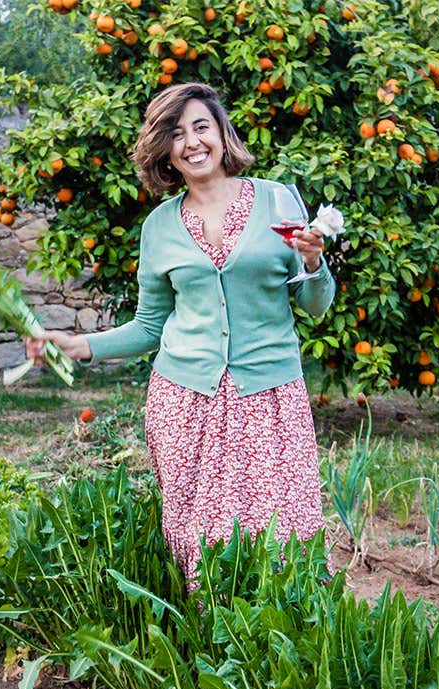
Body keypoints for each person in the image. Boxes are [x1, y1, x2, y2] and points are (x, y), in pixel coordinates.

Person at [26, 82, 336, 586]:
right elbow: (150, 325)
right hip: (186, 401)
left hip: (270, 398)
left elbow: (314, 306)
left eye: (200, 127)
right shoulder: (160, 226)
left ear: (221, 133)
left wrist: (313, 262)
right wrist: (78, 345)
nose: (192, 142)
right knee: (205, 546)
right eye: (176, 133)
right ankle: (213, 648)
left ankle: (286, 648)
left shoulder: (278, 201)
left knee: (285, 538)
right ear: (165, 150)